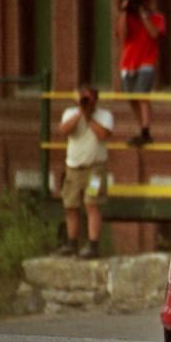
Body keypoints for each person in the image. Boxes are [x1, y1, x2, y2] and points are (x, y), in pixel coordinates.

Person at [55, 86, 114, 259]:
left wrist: (89, 117)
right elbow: (64, 130)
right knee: (70, 205)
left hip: (95, 169)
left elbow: (103, 135)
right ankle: (71, 243)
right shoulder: (70, 113)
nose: (85, 102)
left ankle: (93, 245)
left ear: (96, 99)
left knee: (91, 203)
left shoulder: (104, 116)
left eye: (88, 99)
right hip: (73, 168)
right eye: (83, 98)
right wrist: (80, 113)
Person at [115, 0, 166, 147]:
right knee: (132, 97)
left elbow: (155, 34)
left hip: (147, 62)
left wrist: (144, 16)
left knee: (142, 96)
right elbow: (122, 35)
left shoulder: (158, 17)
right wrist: (124, 11)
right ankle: (142, 129)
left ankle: (146, 130)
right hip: (128, 63)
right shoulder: (127, 18)